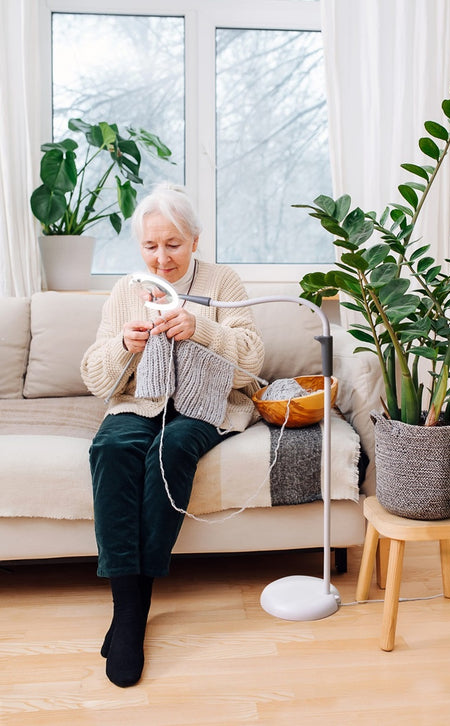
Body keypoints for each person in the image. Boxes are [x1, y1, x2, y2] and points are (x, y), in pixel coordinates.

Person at [81, 182, 265, 688]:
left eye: (173, 244)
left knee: (172, 447)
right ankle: (130, 607)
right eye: (149, 246)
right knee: (111, 448)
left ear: (195, 240)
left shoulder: (222, 282)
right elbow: (97, 379)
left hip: (205, 404)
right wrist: (124, 344)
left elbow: (252, 363)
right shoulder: (126, 290)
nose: (161, 258)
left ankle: (130, 614)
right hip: (140, 399)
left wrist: (201, 330)